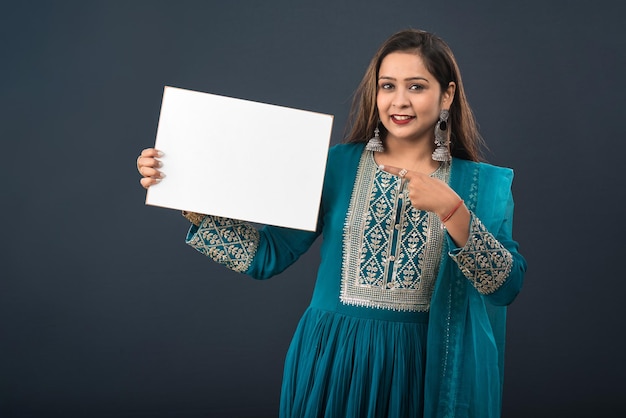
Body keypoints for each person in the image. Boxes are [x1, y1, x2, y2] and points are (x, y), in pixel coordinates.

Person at [137, 29, 526, 418]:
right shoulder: (335, 165)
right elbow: (267, 256)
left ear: (447, 95)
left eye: (417, 86)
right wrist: (184, 194)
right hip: (333, 362)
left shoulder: (478, 186)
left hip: (421, 371)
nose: (400, 101)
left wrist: (453, 211)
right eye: (387, 86)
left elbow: (505, 287)